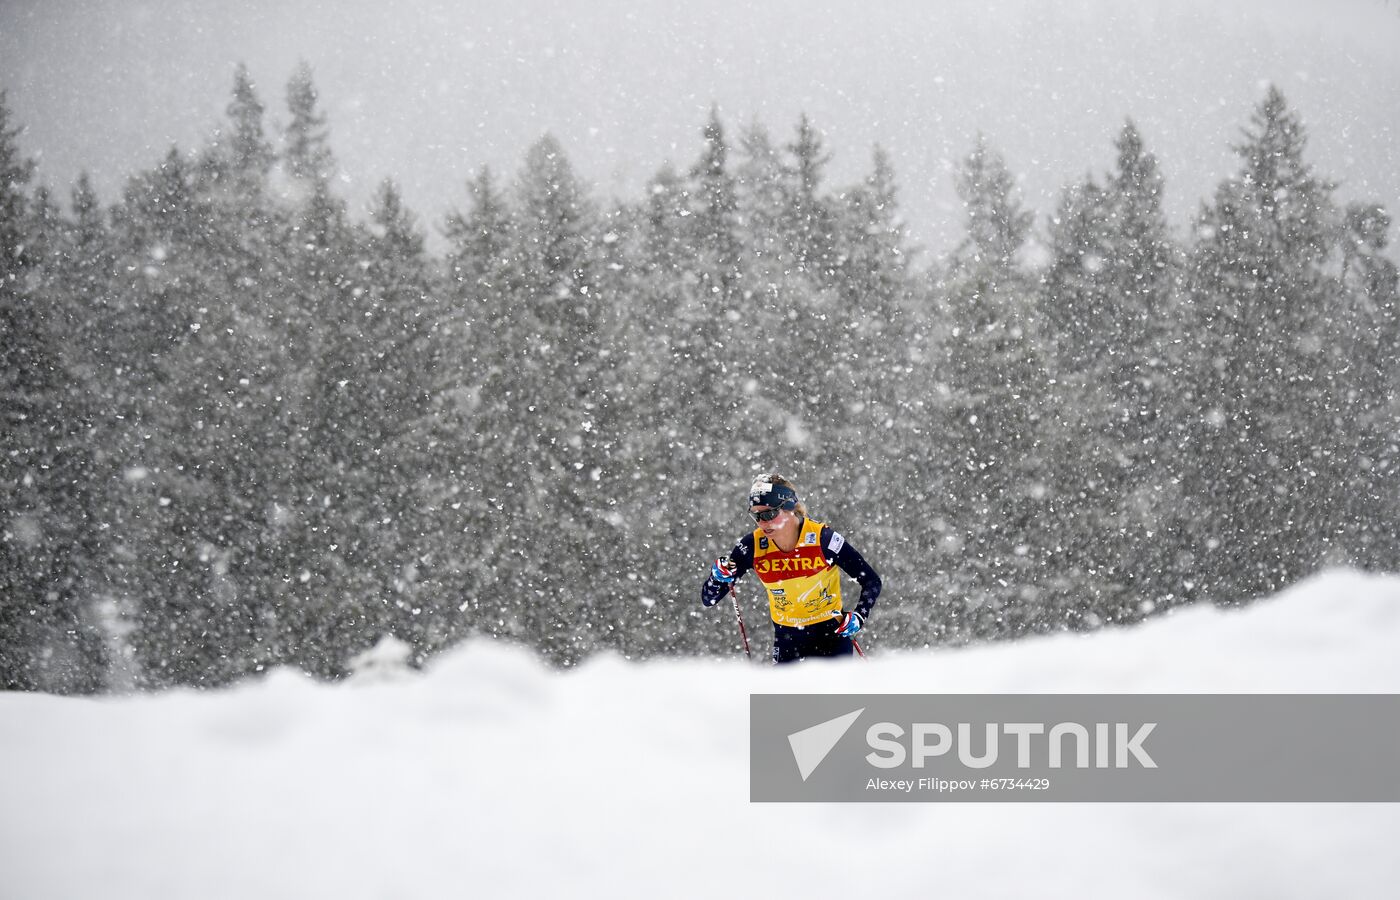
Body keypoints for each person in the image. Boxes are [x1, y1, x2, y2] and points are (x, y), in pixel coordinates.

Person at [700, 474, 882, 663]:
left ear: (789, 508)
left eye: (769, 514)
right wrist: (717, 577)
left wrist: (859, 616)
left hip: (831, 637)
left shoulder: (823, 539)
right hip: (787, 640)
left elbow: (871, 581)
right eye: (756, 516)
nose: (763, 523)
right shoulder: (753, 545)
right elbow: (709, 599)